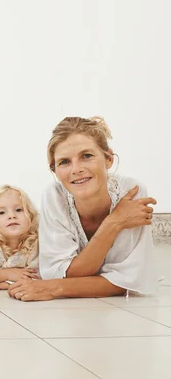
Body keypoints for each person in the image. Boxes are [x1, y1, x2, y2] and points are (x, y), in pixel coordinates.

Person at [9, 116, 157, 302]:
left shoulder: (131, 193)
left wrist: (54, 288)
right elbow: (61, 273)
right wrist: (114, 222)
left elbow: (123, 282)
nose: (76, 169)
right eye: (64, 162)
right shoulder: (55, 195)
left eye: (86, 156)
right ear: (54, 170)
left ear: (108, 159)